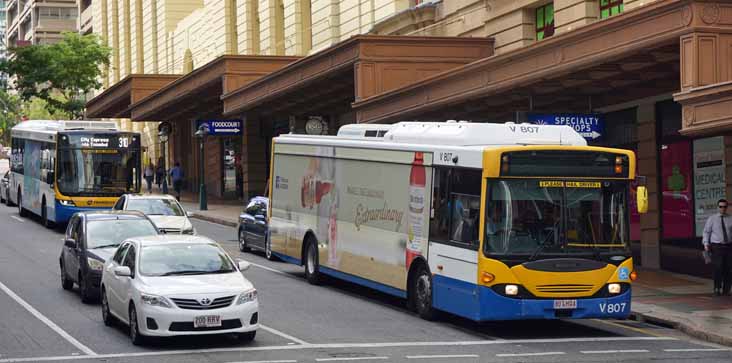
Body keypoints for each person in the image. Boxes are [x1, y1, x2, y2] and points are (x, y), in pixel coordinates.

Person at [702, 198, 732, 296]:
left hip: (728, 246)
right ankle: (717, 288)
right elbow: (706, 232)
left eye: (724, 207)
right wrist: (706, 244)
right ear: (717, 207)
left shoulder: (730, 218)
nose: (722, 208)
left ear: (727, 207)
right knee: (718, 267)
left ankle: (726, 289)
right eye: (720, 207)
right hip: (717, 246)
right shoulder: (712, 219)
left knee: (728, 268)